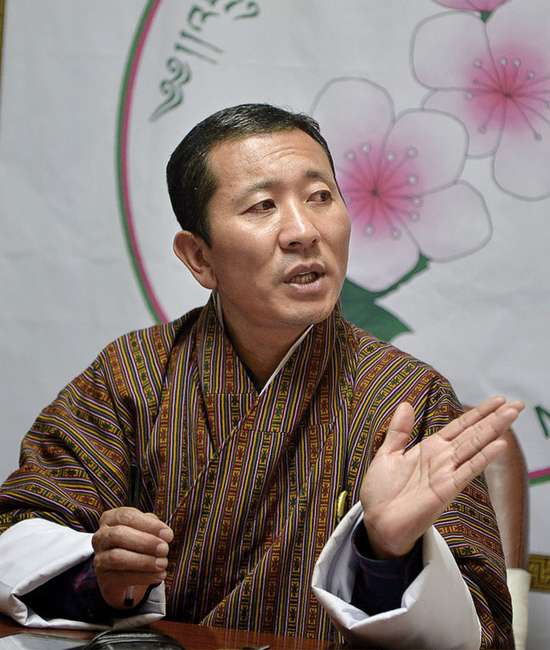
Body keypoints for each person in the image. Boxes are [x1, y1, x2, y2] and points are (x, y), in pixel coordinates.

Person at [0, 104, 523, 648]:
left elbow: (483, 630)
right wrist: (98, 577)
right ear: (199, 256)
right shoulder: (134, 376)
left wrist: (387, 554)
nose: (303, 231)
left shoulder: (408, 398)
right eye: (262, 206)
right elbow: (17, 536)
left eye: (320, 196)